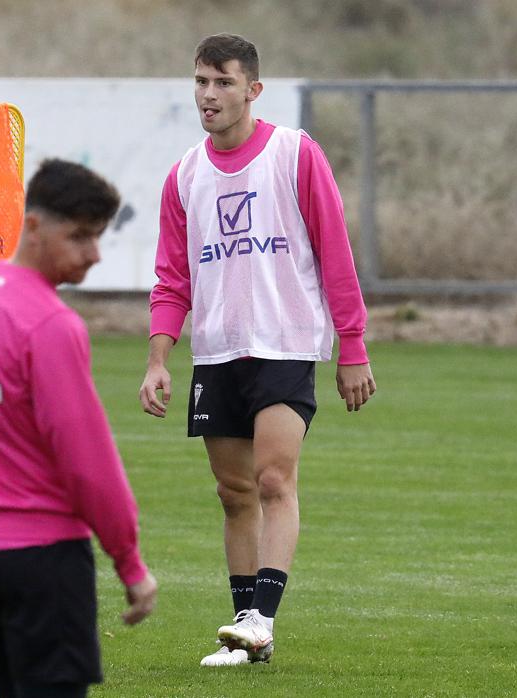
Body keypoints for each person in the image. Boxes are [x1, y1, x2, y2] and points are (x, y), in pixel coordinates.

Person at [139, 33, 376, 667]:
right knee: (233, 492)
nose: (209, 95)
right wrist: (159, 359)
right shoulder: (183, 176)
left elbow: (335, 255)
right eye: (200, 82)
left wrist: (352, 346)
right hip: (216, 352)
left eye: (222, 82)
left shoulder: (295, 155)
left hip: (286, 343)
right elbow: (172, 278)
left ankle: (260, 620)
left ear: (253, 89)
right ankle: (249, 630)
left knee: (274, 478)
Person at [0, 159, 158, 698]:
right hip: (39, 562)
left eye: (98, 237)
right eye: (79, 236)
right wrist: (129, 562)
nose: (94, 254)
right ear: (33, 225)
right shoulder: (51, 324)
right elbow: (88, 462)